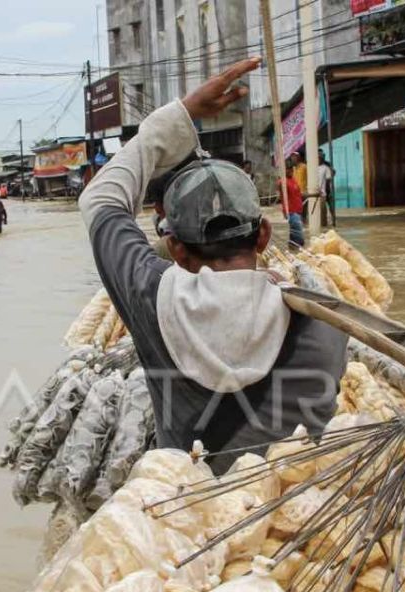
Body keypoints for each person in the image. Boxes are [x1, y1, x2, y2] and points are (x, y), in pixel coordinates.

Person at [77, 57, 347, 473]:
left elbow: (100, 200)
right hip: (288, 513)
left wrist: (182, 114)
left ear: (176, 251)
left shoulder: (154, 298)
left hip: (185, 508)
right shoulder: (327, 323)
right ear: (262, 236)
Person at [279, 166, 305, 246]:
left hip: (298, 209)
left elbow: (299, 194)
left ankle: (292, 249)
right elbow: (282, 195)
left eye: (291, 170)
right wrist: (284, 211)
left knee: (293, 234)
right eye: (287, 170)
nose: (290, 172)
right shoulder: (282, 182)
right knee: (299, 238)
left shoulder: (293, 180)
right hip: (291, 211)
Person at [317, 149, 335, 227]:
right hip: (320, 191)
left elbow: (332, 175)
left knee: (330, 206)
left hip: (326, 190)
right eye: (319, 156)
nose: (321, 157)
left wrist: (328, 191)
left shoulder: (327, 165)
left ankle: (333, 220)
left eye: (322, 156)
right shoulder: (312, 166)